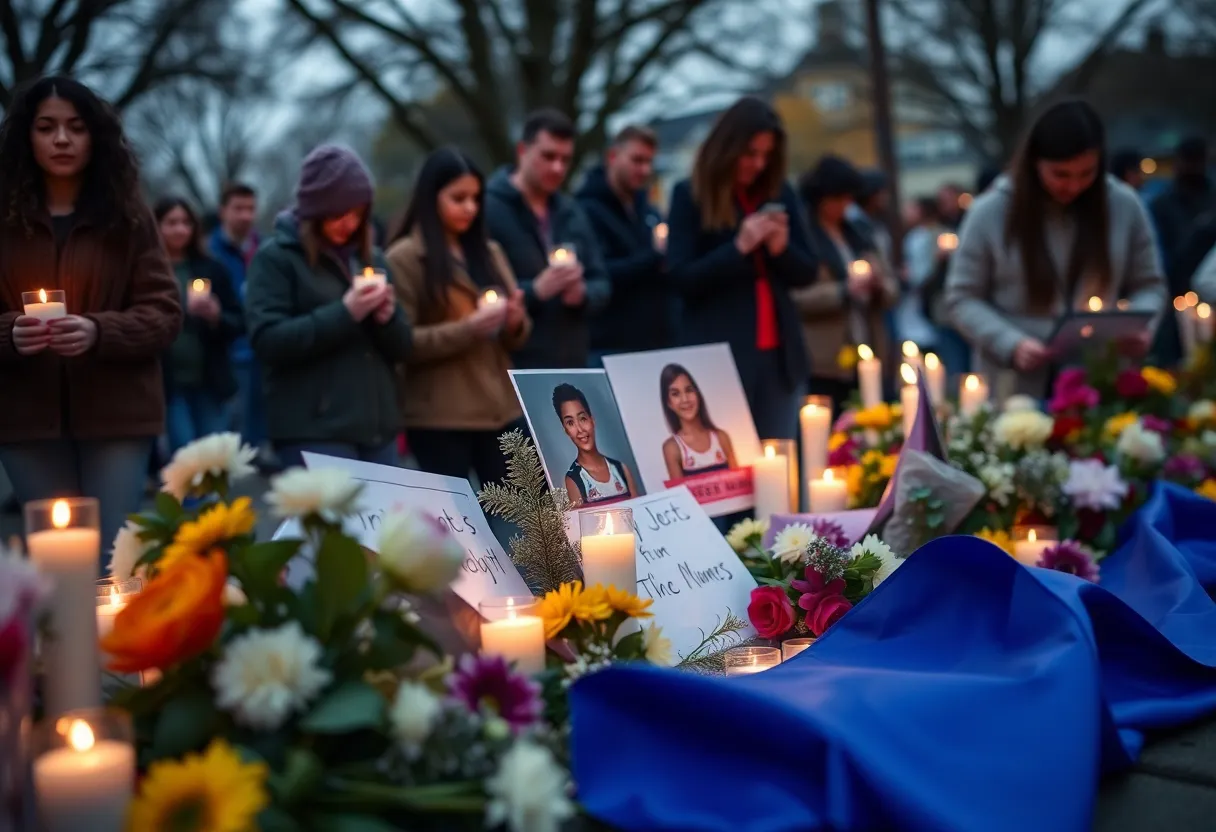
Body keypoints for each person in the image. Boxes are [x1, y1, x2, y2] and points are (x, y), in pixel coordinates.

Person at [0, 76, 181, 565]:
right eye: (46, 127)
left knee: (114, 565)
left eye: (76, 127)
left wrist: (99, 330)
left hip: (118, 417)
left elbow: (165, 313)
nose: (61, 139)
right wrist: (10, 334)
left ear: (94, 136)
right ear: (26, 136)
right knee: (57, 569)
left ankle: (113, 645)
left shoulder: (129, 217)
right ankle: (65, 647)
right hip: (25, 420)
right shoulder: (4, 220)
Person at [944, 99, 1166, 399]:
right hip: (1015, 386)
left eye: (1087, 173)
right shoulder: (990, 211)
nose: (1073, 185)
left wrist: (1142, 326)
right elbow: (961, 297)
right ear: (1035, 163)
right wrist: (1011, 342)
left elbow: (1150, 284)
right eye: (1060, 174)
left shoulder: (1124, 205)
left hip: (1099, 378)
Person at [245, 144, 412, 468]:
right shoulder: (276, 258)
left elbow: (404, 347)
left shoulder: (372, 259)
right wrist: (346, 312)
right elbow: (268, 340)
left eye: (357, 212)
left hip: (377, 429)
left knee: (388, 522)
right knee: (329, 522)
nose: (348, 223)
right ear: (314, 210)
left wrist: (388, 318)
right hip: (314, 429)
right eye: (338, 213)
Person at [665, 96, 818, 440]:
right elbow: (680, 278)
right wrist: (738, 248)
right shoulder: (690, 195)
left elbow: (808, 271)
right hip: (719, 360)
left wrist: (781, 250)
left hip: (780, 358)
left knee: (779, 469)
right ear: (727, 147)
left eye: (766, 155)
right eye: (750, 153)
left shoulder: (779, 193)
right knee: (731, 476)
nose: (758, 164)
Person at [385, 148, 532, 486]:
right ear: (430, 197)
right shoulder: (405, 258)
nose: (470, 207)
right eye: (458, 198)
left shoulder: (489, 251)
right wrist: (469, 329)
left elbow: (519, 334)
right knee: (455, 531)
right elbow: (402, 341)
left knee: (520, 524)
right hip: (440, 417)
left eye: (476, 198)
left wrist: (515, 321)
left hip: (502, 409)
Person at [484, 109, 610, 369]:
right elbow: (478, 288)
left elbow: (602, 280)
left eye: (566, 159)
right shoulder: (488, 209)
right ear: (522, 151)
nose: (558, 167)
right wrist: (535, 291)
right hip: (515, 367)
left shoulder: (572, 211)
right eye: (548, 156)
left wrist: (583, 295)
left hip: (573, 360)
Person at [793, 156, 899, 412]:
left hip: (869, 347)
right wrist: (843, 291)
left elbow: (891, 287)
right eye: (838, 199)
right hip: (826, 359)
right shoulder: (804, 238)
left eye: (848, 198)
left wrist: (878, 286)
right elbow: (795, 297)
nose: (845, 206)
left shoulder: (858, 233)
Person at [153, 197, 245, 453]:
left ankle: (213, 497)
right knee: (184, 457)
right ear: (157, 227)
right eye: (171, 223)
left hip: (210, 381)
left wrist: (216, 316)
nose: (180, 229)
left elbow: (239, 322)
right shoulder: (147, 270)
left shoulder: (212, 268)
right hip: (168, 383)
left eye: (186, 222)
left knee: (213, 459)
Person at [576, 125, 673, 360]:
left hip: (654, 341)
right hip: (609, 344)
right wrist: (653, 259)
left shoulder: (647, 208)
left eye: (649, 162)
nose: (644, 169)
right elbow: (599, 271)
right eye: (637, 160)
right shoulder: (584, 210)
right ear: (613, 156)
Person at [208, 182, 273, 466]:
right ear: (223, 211)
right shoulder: (209, 252)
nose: (245, 215)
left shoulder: (266, 249)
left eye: (250, 208)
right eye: (238, 208)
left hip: (263, 347)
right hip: (228, 350)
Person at [552, 383, 639, 506]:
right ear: (565, 429)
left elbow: (640, 514)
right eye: (570, 423)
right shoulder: (574, 480)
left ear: (592, 420)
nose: (580, 429)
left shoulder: (620, 469)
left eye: (582, 419)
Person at [659, 364, 737, 480]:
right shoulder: (672, 448)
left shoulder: (721, 437)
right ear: (669, 403)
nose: (685, 399)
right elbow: (680, 497)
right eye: (676, 394)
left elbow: (738, 484)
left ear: (697, 394)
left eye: (689, 390)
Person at [1150, 137, 1215, 276]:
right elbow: (1158, 254)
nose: (1193, 167)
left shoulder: (1212, 199)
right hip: (1176, 281)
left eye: (1197, 161)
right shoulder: (1161, 204)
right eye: (1189, 161)